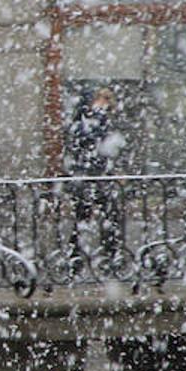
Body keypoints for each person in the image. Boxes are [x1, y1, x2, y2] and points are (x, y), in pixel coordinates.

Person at [66, 88, 121, 267]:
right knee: (88, 217)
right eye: (103, 98)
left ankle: (106, 255)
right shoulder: (88, 118)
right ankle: (78, 256)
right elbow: (90, 142)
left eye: (108, 99)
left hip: (96, 176)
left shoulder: (99, 119)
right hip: (89, 176)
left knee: (104, 218)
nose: (106, 103)